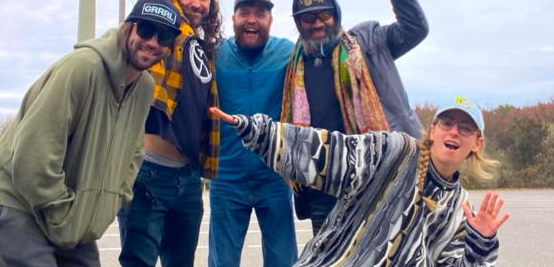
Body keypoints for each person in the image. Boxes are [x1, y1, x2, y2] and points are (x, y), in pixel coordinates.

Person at [0, 0, 182, 267]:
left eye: (165, 36)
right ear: (128, 28)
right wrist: (62, 213)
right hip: (17, 202)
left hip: (68, 214)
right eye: (146, 30)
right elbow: (34, 154)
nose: (153, 42)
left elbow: (133, 153)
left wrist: (111, 203)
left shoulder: (144, 87)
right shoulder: (82, 68)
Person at [211, 96, 510, 267]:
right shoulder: (395, 152)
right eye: (447, 123)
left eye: (465, 127)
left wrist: (480, 244)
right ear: (432, 131)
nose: (454, 131)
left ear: (477, 144)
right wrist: (259, 131)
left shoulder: (460, 210)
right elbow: (328, 152)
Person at [283, 0, 429, 234]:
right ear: (298, 23)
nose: (317, 23)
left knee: (386, 253)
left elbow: (416, 28)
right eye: (307, 18)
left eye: (324, 14)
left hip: (381, 173)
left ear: (336, 13)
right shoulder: (293, 66)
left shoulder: (370, 41)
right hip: (323, 183)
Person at [117, 0, 224, 266]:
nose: (196, 2)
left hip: (189, 179)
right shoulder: (167, 29)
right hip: (149, 173)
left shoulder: (203, 50)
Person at [209, 0, 298, 267]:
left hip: (274, 176)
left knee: (284, 262)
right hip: (226, 178)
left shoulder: (290, 53)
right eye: (244, 12)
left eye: (260, 14)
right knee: (222, 262)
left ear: (270, 21)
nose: (252, 19)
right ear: (233, 19)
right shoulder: (214, 54)